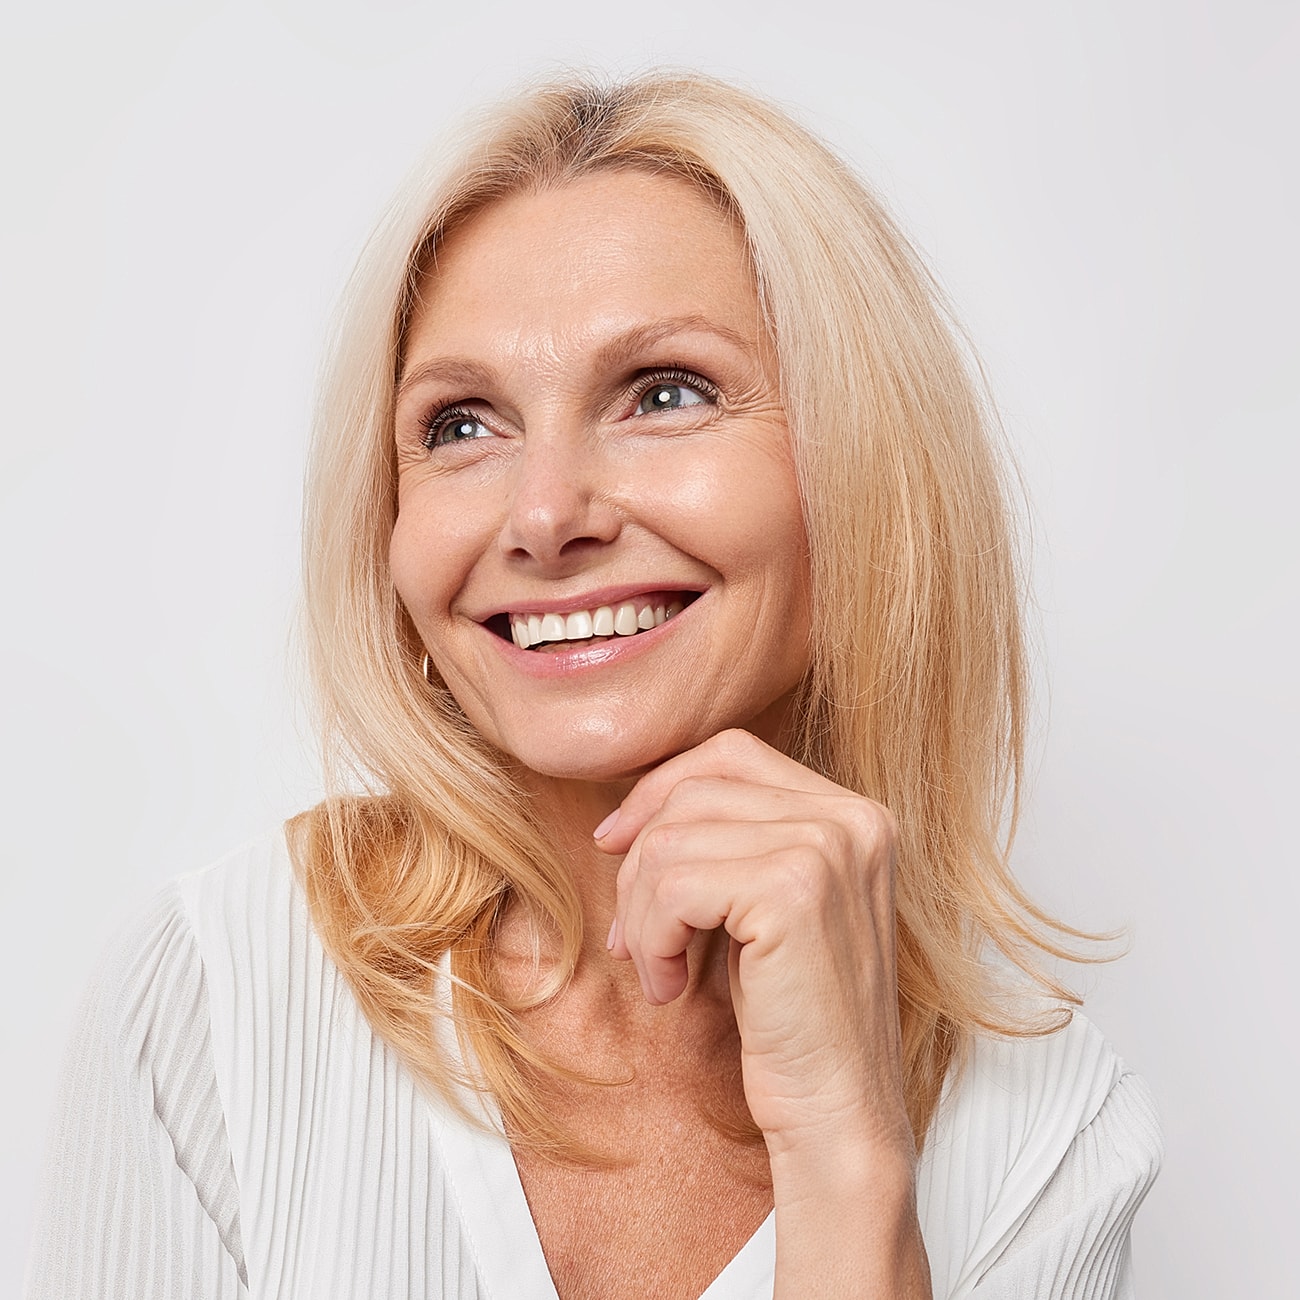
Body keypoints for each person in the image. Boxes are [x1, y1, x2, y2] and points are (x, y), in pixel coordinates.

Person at [26, 73, 1161, 1299]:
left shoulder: (1049, 1133)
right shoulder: (214, 1001)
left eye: (665, 393)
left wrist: (846, 1161)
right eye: (462, 423)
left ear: (862, 468)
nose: (545, 513)